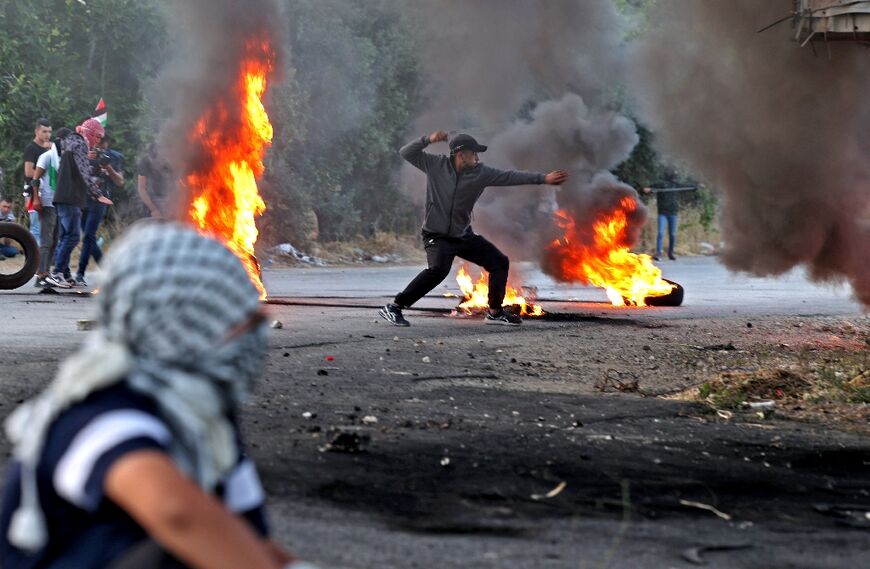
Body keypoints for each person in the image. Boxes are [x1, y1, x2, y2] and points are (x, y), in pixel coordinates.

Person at [0, 222, 319, 569]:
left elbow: (250, 541)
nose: (254, 327)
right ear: (183, 323)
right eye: (236, 317)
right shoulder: (100, 408)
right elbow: (175, 512)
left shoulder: (207, 419)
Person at [380, 131, 568, 327]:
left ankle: (495, 312)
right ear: (460, 155)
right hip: (437, 235)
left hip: (463, 235)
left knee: (499, 262)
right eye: (474, 154)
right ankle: (395, 306)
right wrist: (428, 140)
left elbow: (510, 176)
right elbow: (405, 152)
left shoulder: (480, 173)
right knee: (438, 270)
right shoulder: (436, 165)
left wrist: (543, 179)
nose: (477, 158)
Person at [51, 118, 113, 286]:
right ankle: (57, 273)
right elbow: (84, 172)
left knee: (65, 236)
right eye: (98, 137)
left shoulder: (70, 142)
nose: (98, 141)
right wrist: (98, 194)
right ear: (91, 134)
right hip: (70, 197)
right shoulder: (80, 144)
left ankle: (65, 274)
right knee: (72, 237)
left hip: (63, 196)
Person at [75, 133, 125, 286]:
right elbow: (76, 176)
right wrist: (86, 158)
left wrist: (108, 166)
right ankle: (107, 269)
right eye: (95, 142)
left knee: (88, 235)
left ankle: (80, 273)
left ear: (106, 143)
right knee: (89, 238)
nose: (97, 146)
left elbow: (120, 182)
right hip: (83, 200)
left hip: (100, 200)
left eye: (100, 143)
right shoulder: (85, 153)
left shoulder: (114, 157)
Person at [29, 128, 70, 289]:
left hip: (59, 203)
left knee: (55, 240)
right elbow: (35, 179)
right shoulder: (46, 157)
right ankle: (41, 275)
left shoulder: (64, 159)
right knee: (46, 241)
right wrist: (36, 199)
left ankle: (46, 273)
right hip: (46, 202)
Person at [23, 119, 53, 244]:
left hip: (47, 192)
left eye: (49, 132)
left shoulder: (50, 149)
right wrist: (45, 173)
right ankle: (35, 257)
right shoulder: (31, 148)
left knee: (47, 227)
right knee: (35, 227)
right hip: (32, 191)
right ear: (36, 131)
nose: (47, 135)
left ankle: (43, 257)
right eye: (44, 131)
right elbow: (28, 172)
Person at [643, 169, 683, 261]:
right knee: (661, 233)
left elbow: (687, 186)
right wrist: (647, 189)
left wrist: (697, 186)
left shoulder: (675, 185)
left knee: (672, 234)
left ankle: (671, 253)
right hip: (663, 213)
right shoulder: (660, 184)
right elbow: (648, 189)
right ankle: (659, 253)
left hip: (673, 213)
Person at [137, 144, 174, 219]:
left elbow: (175, 185)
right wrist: (153, 209)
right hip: (150, 199)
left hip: (166, 197)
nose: (158, 163)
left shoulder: (169, 162)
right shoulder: (144, 163)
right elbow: (141, 188)